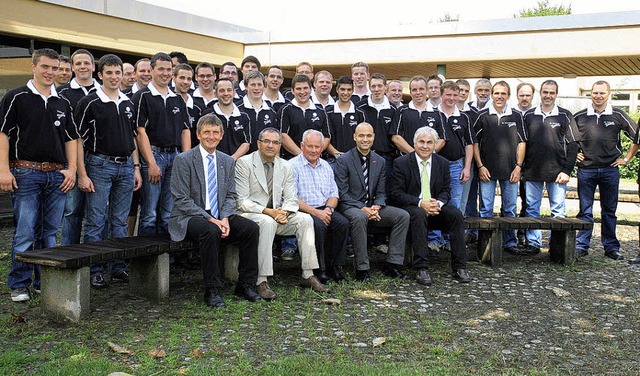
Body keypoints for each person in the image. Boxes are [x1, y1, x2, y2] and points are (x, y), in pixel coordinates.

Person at [0, 48, 79, 302]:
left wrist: (73, 170)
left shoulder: (63, 102)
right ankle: (20, 283)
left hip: (57, 176)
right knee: (25, 230)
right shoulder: (16, 97)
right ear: (33, 67)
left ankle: (43, 281)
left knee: (48, 233)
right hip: (25, 172)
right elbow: (3, 135)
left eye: (55, 68)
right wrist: (3, 170)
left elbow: (72, 138)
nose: (50, 72)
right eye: (45, 67)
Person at [169, 113, 260, 307]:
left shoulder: (227, 161)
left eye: (215, 132)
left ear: (221, 135)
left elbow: (230, 195)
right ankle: (212, 289)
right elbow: (181, 199)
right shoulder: (184, 160)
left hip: (220, 215)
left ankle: (245, 284)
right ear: (198, 135)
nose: (211, 136)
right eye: (206, 132)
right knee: (210, 231)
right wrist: (211, 219)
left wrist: (225, 217)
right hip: (190, 217)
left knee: (251, 229)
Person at [235, 127, 330, 299]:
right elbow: (241, 201)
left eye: (275, 142)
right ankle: (261, 280)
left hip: (277, 214)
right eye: (267, 141)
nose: (271, 146)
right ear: (258, 143)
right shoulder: (244, 163)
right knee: (267, 222)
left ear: (280, 145)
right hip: (252, 215)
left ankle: (308, 274)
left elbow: (291, 197)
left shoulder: (285, 166)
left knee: (305, 220)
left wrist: (285, 212)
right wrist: (268, 212)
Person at [75, 54, 142, 288]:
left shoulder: (127, 102)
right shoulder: (90, 102)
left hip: (125, 166)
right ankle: (95, 269)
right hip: (99, 165)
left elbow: (132, 137)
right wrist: (82, 174)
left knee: (120, 220)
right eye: (110, 73)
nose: (114, 77)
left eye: (118, 73)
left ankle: (118, 266)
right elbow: (78, 140)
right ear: (100, 74)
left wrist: (136, 167)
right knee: (95, 220)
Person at [389, 126, 470, 285]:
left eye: (429, 143)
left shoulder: (443, 163)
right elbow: (395, 193)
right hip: (412, 207)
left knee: (456, 215)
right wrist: (420, 203)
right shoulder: (401, 163)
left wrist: (437, 203)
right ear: (414, 143)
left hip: (435, 208)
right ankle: (422, 268)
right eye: (421, 142)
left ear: (435, 145)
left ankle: (460, 267)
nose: (425, 146)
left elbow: (446, 191)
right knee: (418, 214)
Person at [334, 122, 410, 282]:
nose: (365, 139)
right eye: (361, 135)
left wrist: (377, 205)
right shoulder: (344, 160)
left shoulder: (380, 161)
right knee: (360, 217)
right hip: (351, 207)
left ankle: (393, 264)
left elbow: (381, 191)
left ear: (374, 137)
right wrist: (363, 208)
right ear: (354, 137)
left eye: (369, 135)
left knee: (402, 216)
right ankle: (362, 268)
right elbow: (342, 193)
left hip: (373, 206)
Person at [574, 80, 639, 260]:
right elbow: (567, 139)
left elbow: (638, 136)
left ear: (608, 94)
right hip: (586, 170)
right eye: (595, 92)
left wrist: (626, 159)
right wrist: (574, 154)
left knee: (609, 211)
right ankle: (582, 245)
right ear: (591, 93)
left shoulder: (618, 114)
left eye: (602, 93)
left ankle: (611, 247)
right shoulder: (579, 116)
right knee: (585, 210)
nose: (598, 96)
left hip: (610, 170)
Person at [132, 52, 191, 237]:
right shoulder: (142, 97)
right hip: (154, 156)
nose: (165, 73)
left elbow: (185, 130)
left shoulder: (177, 98)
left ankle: (165, 259)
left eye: (168, 69)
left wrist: (184, 159)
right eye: (161, 69)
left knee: (168, 212)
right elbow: (140, 132)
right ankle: (145, 263)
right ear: (152, 70)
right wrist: (151, 163)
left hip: (174, 157)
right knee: (149, 213)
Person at [521, 80, 578, 255]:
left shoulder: (565, 115)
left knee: (558, 210)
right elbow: (521, 143)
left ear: (556, 94)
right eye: (545, 92)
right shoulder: (529, 115)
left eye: (551, 92)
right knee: (532, 209)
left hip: (557, 172)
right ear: (540, 93)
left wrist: (567, 170)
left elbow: (574, 144)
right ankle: (533, 243)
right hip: (532, 171)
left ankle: (558, 246)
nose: (548, 95)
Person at [473, 81, 526, 255]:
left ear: (508, 96)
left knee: (509, 208)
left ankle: (509, 242)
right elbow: (474, 143)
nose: (499, 96)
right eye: (496, 93)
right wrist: (480, 166)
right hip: (487, 171)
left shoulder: (516, 116)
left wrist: (518, 167)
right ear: (492, 95)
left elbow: (522, 143)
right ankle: (485, 243)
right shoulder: (482, 116)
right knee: (486, 209)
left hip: (510, 171)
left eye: (503, 93)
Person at [291, 130, 350, 283]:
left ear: (322, 147)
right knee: (318, 225)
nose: (314, 150)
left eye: (317, 147)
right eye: (310, 146)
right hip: (303, 210)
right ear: (302, 146)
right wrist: (316, 213)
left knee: (342, 223)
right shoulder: (292, 166)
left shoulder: (326, 166)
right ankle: (320, 270)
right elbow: (292, 198)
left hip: (325, 208)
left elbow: (333, 193)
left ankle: (336, 267)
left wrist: (329, 209)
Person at [58, 49, 101, 247]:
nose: (83, 67)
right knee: (72, 210)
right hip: (73, 159)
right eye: (79, 63)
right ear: (72, 67)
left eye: (87, 63)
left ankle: (98, 258)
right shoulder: (62, 94)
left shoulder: (104, 91)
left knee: (99, 214)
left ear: (93, 66)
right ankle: (70, 253)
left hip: (101, 160)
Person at [279, 74, 330, 159]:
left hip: (316, 160)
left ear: (311, 89)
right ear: (292, 91)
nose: (302, 92)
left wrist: (314, 154)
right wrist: (303, 156)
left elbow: (327, 137)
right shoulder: (285, 110)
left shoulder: (321, 111)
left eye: (305, 88)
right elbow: (283, 136)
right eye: (298, 89)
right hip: (292, 160)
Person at [204, 78, 250, 160]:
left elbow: (246, 143)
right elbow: (204, 140)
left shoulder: (244, 116)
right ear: (215, 94)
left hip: (237, 163)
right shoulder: (207, 115)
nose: (226, 93)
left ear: (234, 92)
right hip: (213, 161)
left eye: (229, 90)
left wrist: (232, 159)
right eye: (222, 90)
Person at [514, 82, 536, 246]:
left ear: (532, 96)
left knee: (527, 202)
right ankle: (508, 236)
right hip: (513, 165)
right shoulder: (512, 114)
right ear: (517, 96)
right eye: (522, 95)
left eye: (528, 95)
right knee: (509, 202)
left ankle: (523, 234)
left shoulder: (535, 114)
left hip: (531, 165)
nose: (524, 98)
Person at [325, 76, 364, 160]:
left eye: (349, 90)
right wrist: (336, 153)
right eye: (342, 89)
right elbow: (323, 137)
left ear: (353, 91)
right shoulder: (327, 112)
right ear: (337, 90)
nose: (346, 93)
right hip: (332, 159)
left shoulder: (360, 113)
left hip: (355, 159)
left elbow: (364, 138)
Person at [237, 71, 277, 152]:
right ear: (246, 86)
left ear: (264, 87)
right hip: (241, 159)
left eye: (259, 85)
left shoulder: (271, 111)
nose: (256, 88)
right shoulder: (237, 109)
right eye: (253, 85)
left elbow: (276, 138)